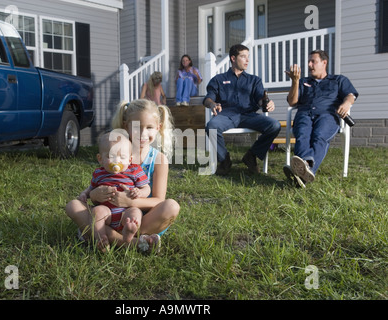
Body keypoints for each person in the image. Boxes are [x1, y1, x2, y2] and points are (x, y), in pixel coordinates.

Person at [66, 99, 180, 253]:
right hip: (108, 213)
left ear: (158, 128)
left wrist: (128, 201)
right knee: (73, 205)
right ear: (126, 126)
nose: (143, 134)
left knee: (172, 206)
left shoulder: (159, 160)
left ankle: (97, 234)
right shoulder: (115, 151)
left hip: (141, 219)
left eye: (149, 128)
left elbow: (159, 200)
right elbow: (101, 181)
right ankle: (134, 243)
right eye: (137, 127)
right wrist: (94, 194)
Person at [283, 49, 358, 187]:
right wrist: (295, 81)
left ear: (324, 63)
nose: (310, 65)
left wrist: (347, 103)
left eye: (313, 61)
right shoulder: (303, 81)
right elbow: (292, 102)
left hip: (328, 115)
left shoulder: (338, 80)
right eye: (309, 62)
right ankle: (306, 170)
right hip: (304, 114)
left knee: (319, 136)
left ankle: (301, 170)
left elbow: (350, 95)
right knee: (302, 134)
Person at [203, 44, 281, 175]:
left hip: (249, 115)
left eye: (248, 57)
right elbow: (208, 99)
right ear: (233, 58)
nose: (247, 60)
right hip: (226, 115)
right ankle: (224, 160)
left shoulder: (254, 80)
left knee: (274, 125)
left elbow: (260, 99)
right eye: (243, 56)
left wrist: (267, 103)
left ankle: (251, 156)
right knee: (211, 126)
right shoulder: (218, 79)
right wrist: (212, 104)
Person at [77, 131, 151, 252]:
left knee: (135, 213)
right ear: (100, 159)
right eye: (111, 157)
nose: (117, 161)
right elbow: (91, 188)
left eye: (122, 157)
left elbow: (146, 188)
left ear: (130, 159)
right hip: (107, 212)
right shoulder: (99, 173)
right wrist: (85, 194)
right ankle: (101, 238)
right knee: (97, 211)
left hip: (125, 211)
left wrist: (140, 193)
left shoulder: (134, 170)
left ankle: (129, 232)